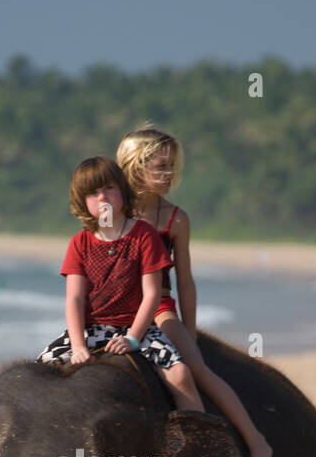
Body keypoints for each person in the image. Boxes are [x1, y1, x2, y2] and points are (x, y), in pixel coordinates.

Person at [116, 125, 272, 457]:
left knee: (197, 368)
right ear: (135, 166)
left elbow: (184, 280)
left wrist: (189, 330)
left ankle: (255, 440)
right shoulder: (114, 214)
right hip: (116, 306)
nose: (169, 174)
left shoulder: (175, 219)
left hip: (159, 306)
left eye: (172, 166)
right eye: (160, 167)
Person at [37, 156, 204, 414]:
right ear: (82, 201)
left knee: (181, 374)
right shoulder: (79, 243)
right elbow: (74, 299)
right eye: (93, 193)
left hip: (138, 329)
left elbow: (151, 295)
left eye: (109, 188)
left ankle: (198, 440)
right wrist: (79, 345)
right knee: (38, 372)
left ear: (123, 192)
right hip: (90, 329)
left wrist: (133, 339)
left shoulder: (145, 236)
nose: (103, 197)